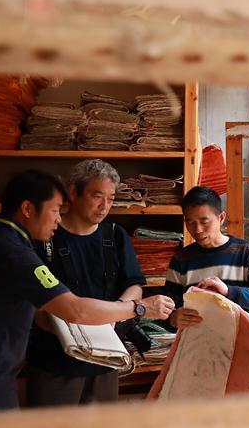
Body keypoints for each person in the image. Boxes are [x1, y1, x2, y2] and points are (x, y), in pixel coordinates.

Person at [0, 169, 172, 412]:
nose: (58, 218)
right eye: (54, 210)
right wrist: (139, 308)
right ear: (28, 209)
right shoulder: (16, 254)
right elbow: (74, 310)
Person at [25, 159, 174, 407]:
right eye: (97, 196)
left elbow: (135, 284)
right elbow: (36, 305)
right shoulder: (45, 237)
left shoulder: (115, 235)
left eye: (111, 198)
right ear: (73, 192)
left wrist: (116, 311)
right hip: (55, 362)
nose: (104, 206)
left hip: (107, 360)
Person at [165, 186, 249, 329]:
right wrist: (173, 318)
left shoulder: (248, 252)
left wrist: (228, 291)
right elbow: (168, 308)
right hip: (197, 344)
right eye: (190, 222)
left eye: (204, 222)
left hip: (239, 342)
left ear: (221, 218)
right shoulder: (181, 259)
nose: (197, 230)